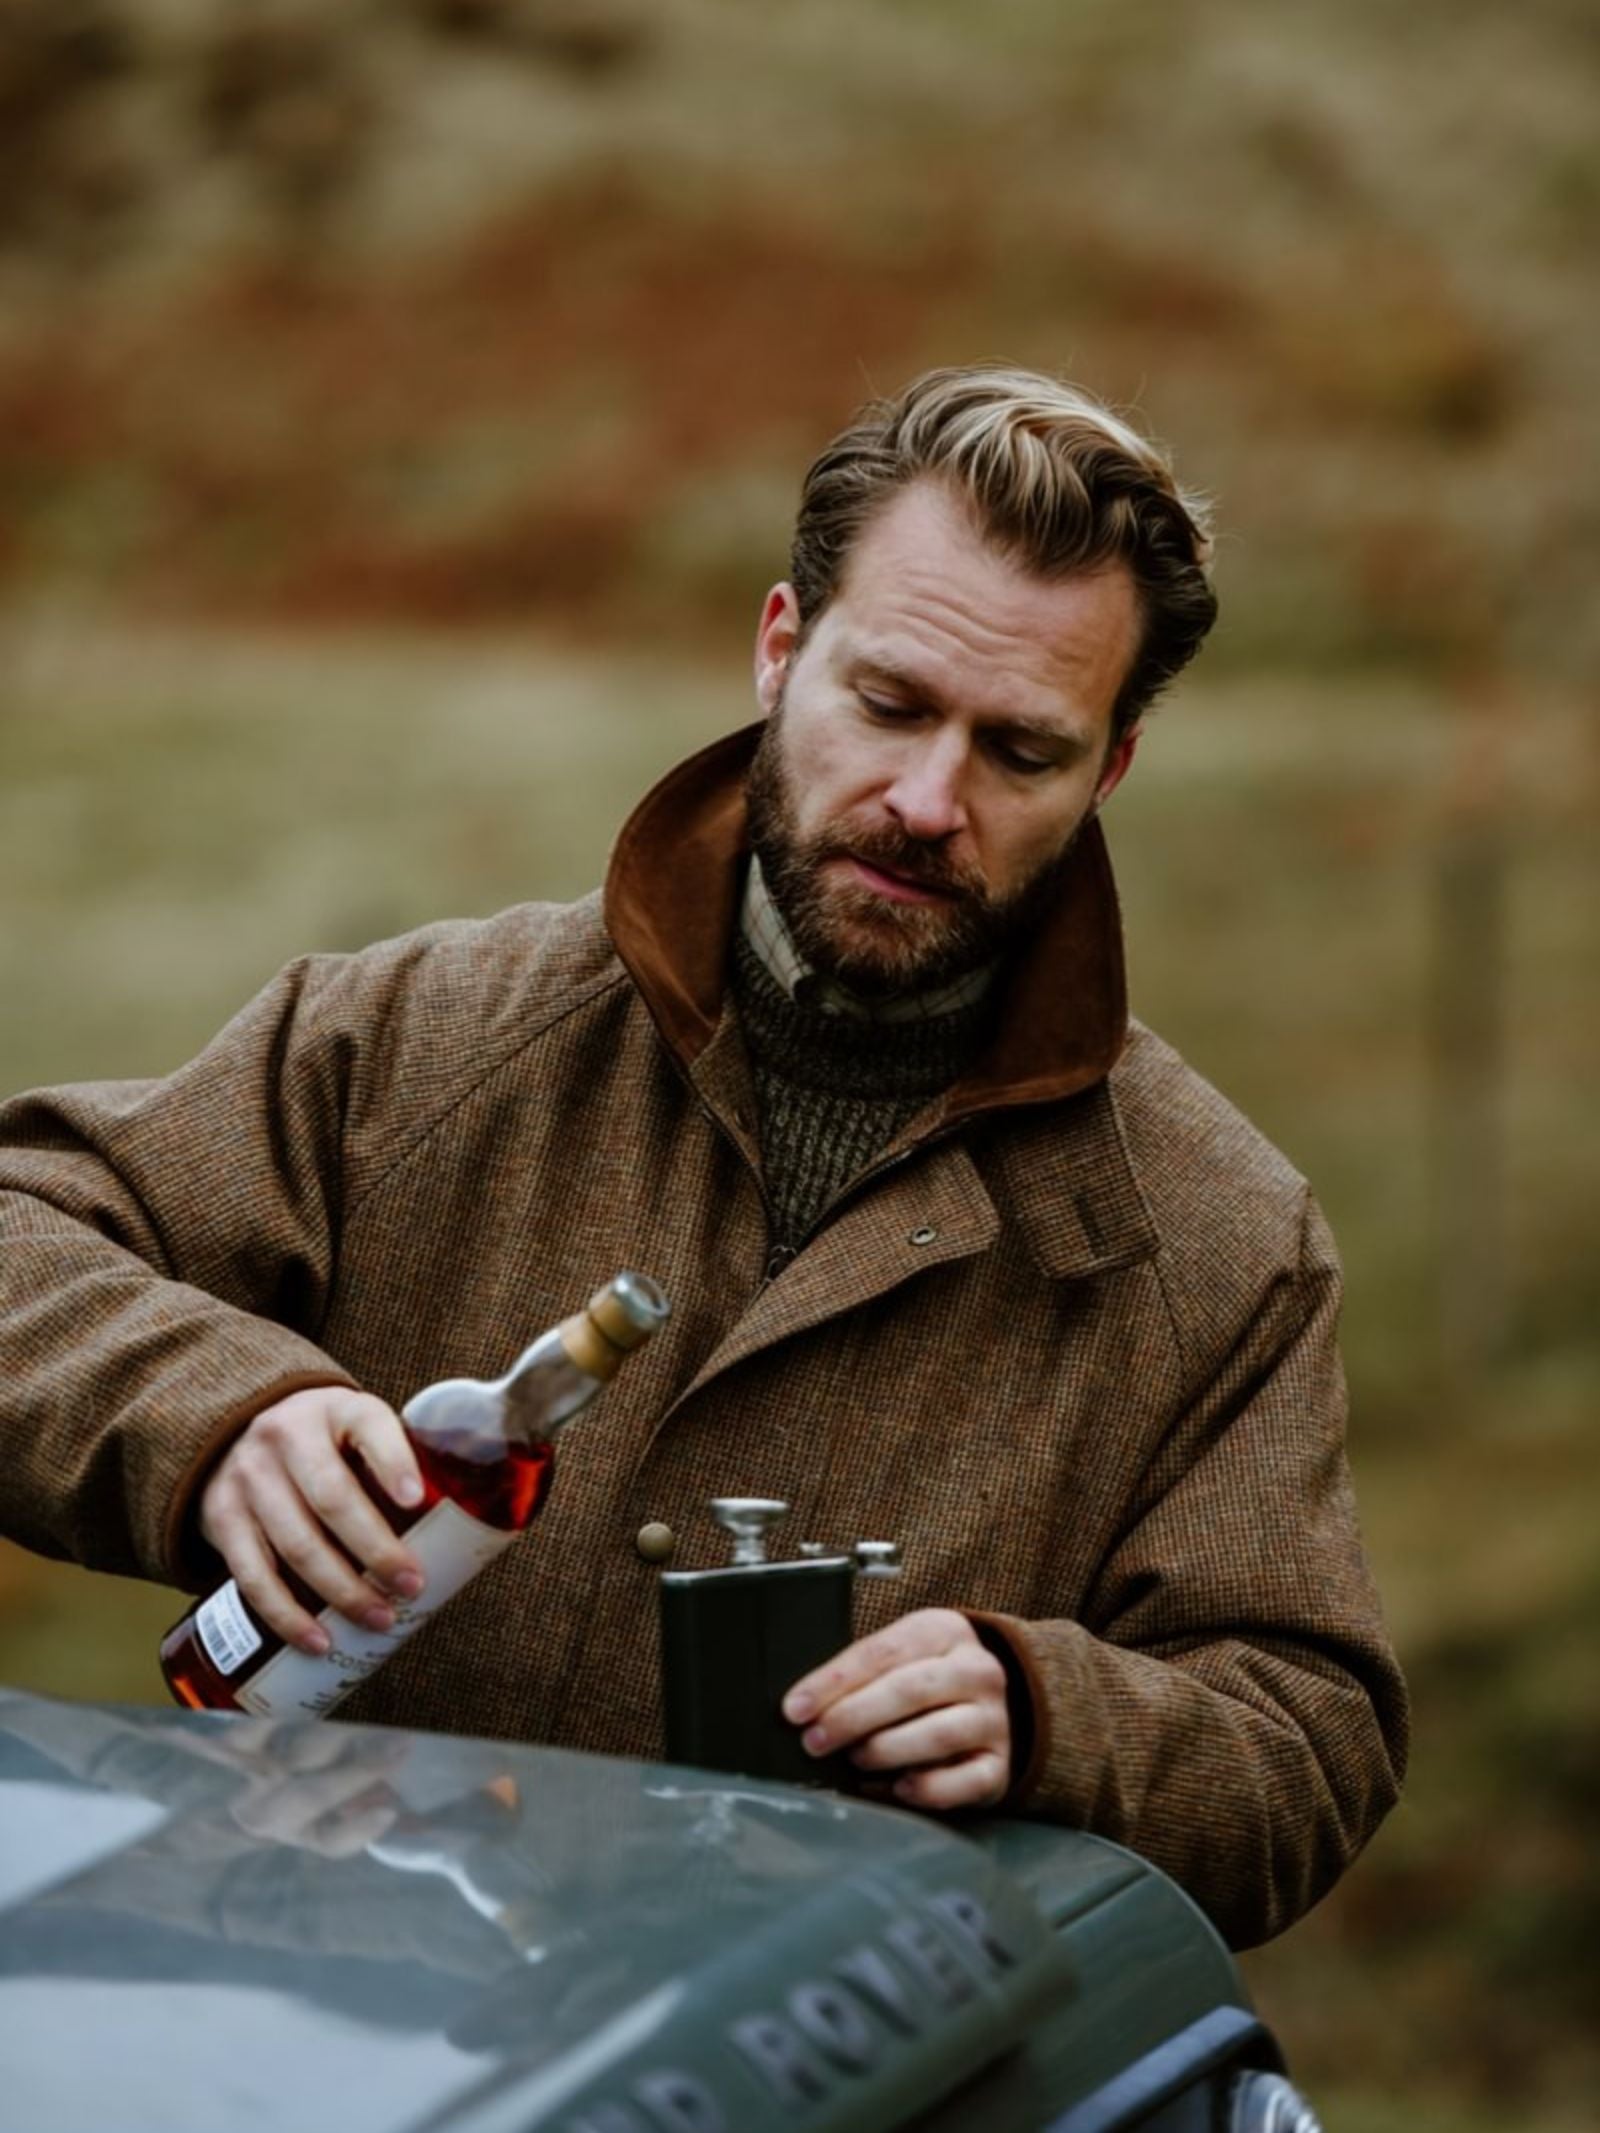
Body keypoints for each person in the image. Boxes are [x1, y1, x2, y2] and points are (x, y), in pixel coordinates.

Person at [0, 366, 1406, 1947]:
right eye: (889, 704)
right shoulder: (421, 1037)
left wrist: (1053, 1716)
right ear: (781, 648)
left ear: (1110, 770)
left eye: (1020, 752)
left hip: (850, 2061)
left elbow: (1309, 1739)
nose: (927, 801)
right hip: (341, 2019)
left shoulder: (1222, 1240)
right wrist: (212, 1420)